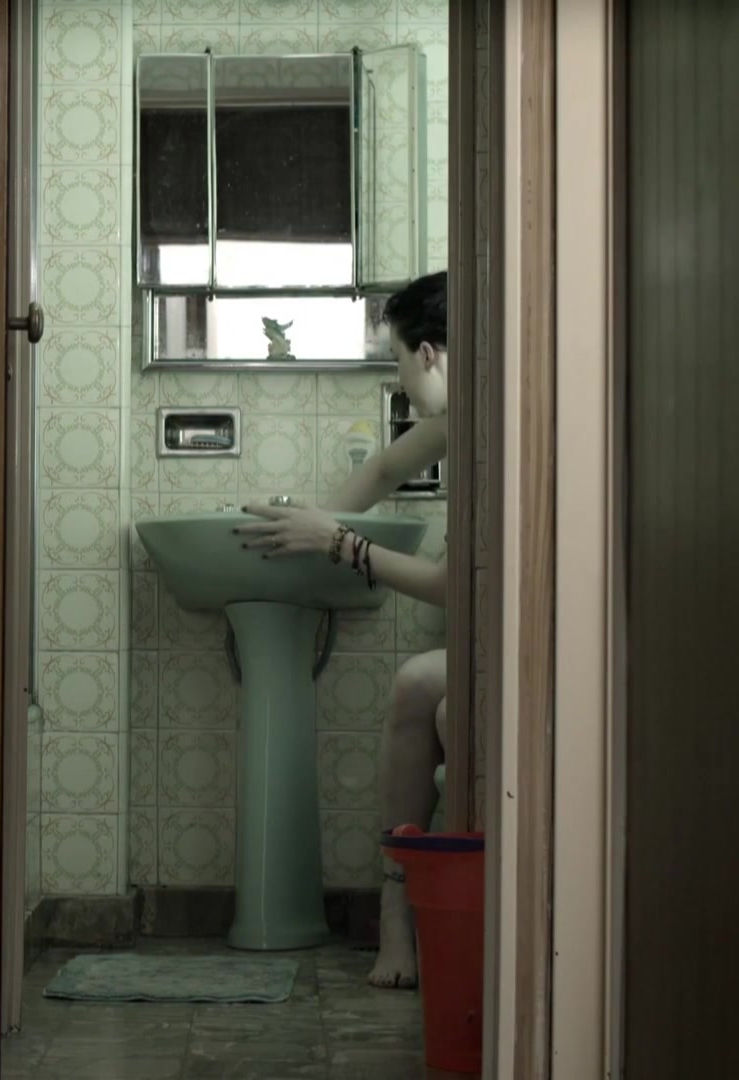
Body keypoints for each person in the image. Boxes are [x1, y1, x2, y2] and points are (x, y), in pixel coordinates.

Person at [233, 270, 449, 990]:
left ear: (427, 355)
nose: (400, 383)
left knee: (419, 685)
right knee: (420, 687)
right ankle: (400, 913)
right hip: (494, 648)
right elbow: (384, 469)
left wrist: (337, 544)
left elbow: (450, 585)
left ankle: (402, 912)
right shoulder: (460, 421)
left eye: (397, 362)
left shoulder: (496, 427)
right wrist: (309, 524)